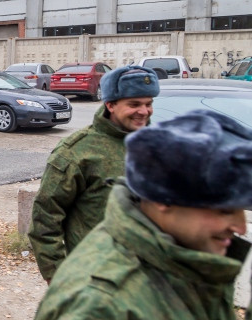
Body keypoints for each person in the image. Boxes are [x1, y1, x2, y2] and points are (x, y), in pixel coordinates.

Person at [7, 110, 252, 320]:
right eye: (224, 209)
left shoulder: (188, 261)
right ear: (165, 199)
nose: (240, 226)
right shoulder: (102, 301)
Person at [29, 65, 159, 282]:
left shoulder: (156, 145)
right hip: (97, 279)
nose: (144, 111)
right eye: (134, 104)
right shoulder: (77, 152)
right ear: (110, 105)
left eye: (148, 104)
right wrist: (61, 280)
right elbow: (45, 221)